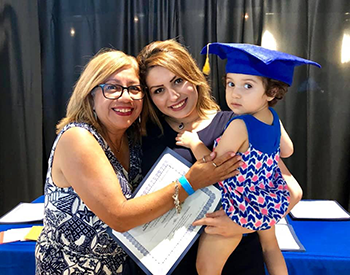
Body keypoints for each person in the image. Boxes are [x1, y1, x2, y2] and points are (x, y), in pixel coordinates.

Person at [34, 48, 241, 275]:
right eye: (112, 88)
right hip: (77, 269)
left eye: (133, 88)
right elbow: (119, 218)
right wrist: (191, 181)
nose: (126, 97)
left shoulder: (133, 139)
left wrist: (244, 224)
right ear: (90, 94)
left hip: (135, 265)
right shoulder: (78, 137)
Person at [137, 39, 292, 275]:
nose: (173, 96)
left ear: (193, 76)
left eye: (178, 81)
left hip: (234, 260)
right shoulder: (145, 135)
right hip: (168, 262)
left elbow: (290, 190)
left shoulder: (237, 122)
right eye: (159, 90)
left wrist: (243, 223)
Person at [175, 42, 321, 275]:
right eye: (231, 83)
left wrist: (195, 143)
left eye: (248, 85)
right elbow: (287, 151)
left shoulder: (239, 125)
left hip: (238, 205)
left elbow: (214, 167)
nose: (235, 93)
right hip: (266, 198)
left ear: (271, 92)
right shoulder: (273, 117)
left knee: (206, 268)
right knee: (271, 249)